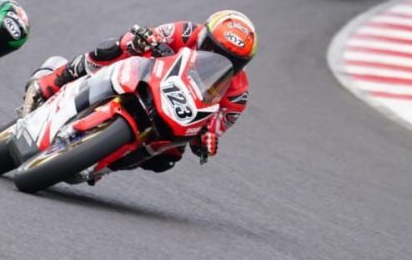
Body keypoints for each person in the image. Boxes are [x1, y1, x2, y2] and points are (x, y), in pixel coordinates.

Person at [22, 10, 256, 173]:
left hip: (178, 111)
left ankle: (100, 163)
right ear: (204, 36)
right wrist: (142, 40)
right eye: (213, 49)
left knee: (166, 160)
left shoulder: (238, 92)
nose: (216, 59)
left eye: (231, 60)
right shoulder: (186, 32)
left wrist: (207, 138)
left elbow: (217, 123)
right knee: (113, 49)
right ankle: (51, 81)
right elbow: (149, 35)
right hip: (147, 75)